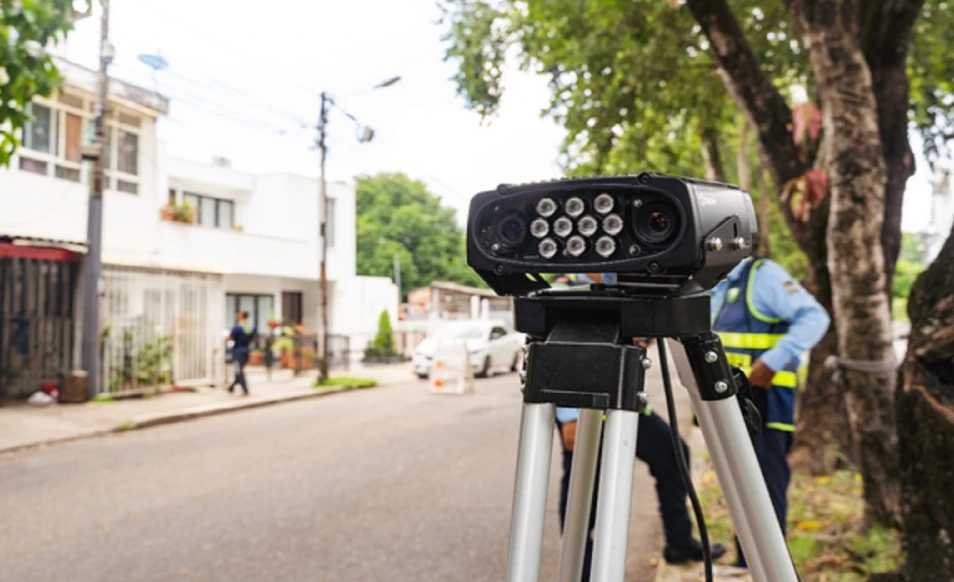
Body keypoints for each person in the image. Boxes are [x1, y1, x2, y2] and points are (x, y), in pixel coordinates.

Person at [553, 273, 727, 579]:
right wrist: (569, 416)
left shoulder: (626, 283)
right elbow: (557, 353)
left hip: (627, 406)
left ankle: (680, 542)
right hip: (584, 412)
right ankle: (583, 570)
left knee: (674, 456)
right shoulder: (564, 288)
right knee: (582, 497)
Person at [709, 250, 830, 568]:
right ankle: (745, 563)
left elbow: (815, 318)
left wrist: (773, 361)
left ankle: (769, 568)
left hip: (765, 402)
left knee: (764, 486)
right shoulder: (712, 283)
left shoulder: (762, 276)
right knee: (739, 485)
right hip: (729, 404)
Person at [228, 311, 258, 395]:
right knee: (239, 370)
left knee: (239, 371)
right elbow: (253, 339)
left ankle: (245, 389)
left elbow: (231, 338)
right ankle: (231, 387)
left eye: (238, 314)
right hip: (246, 350)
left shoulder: (236, 327)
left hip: (238, 351)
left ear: (241, 316)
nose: (236, 315)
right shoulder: (250, 328)